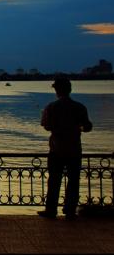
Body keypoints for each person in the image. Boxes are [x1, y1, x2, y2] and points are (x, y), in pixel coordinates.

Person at [38, 75, 92, 220]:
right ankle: (69, 210)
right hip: (74, 149)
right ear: (70, 89)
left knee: (54, 181)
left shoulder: (51, 107)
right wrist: (78, 127)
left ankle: (51, 210)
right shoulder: (79, 107)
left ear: (57, 91)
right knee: (73, 181)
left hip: (56, 149)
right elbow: (87, 126)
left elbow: (46, 126)